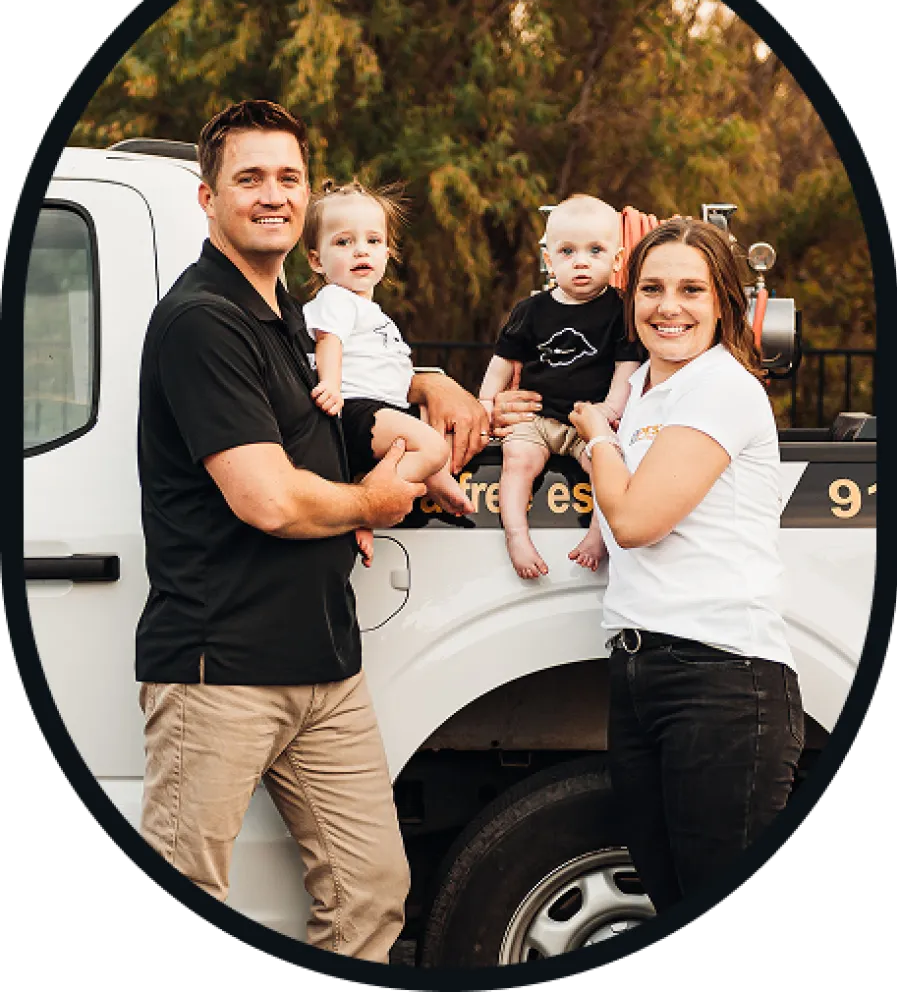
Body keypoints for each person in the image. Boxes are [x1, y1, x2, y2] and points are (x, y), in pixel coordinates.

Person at [135, 99, 489, 963]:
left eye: (287, 177)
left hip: (325, 668)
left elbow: (320, 418)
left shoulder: (286, 314)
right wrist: (375, 502)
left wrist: (425, 384)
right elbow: (271, 499)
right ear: (208, 198)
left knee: (370, 895)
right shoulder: (202, 321)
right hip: (223, 670)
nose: (273, 195)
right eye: (248, 178)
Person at [563, 215, 804, 913]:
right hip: (642, 672)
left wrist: (595, 440)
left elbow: (634, 521)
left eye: (691, 289)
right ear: (629, 297)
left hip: (723, 681)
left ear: (725, 302)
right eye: (652, 288)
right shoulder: (643, 388)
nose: (668, 306)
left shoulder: (721, 388)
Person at [301, 178, 474, 565]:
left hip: (383, 407)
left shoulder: (374, 313)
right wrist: (329, 384)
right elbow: (329, 341)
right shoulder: (336, 298)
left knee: (433, 417)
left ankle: (435, 476)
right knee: (431, 445)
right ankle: (366, 504)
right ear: (316, 260)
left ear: (388, 251)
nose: (361, 250)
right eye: (344, 242)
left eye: (373, 241)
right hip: (355, 409)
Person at [477, 194, 643, 578]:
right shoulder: (530, 310)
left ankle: (598, 534)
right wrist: (486, 400)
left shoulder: (620, 311)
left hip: (588, 419)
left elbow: (626, 366)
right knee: (517, 462)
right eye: (567, 251)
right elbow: (504, 360)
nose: (581, 261)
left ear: (616, 261)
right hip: (537, 416)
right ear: (549, 260)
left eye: (595, 250)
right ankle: (517, 535)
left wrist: (610, 411)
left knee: (605, 467)